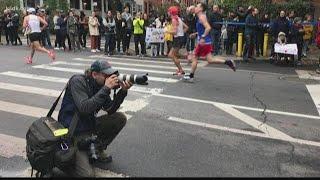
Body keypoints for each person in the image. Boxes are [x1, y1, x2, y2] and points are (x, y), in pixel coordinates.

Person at [58, 60, 132, 177]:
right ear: (94, 74)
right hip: (73, 132)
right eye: (105, 75)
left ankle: (96, 148)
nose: (109, 78)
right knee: (87, 175)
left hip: (89, 126)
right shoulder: (78, 81)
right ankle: (61, 162)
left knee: (119, 118)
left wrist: (123, 91)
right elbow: (84, 108)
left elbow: (110, 109)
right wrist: (106, 88)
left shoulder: (100, 85)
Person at [183, 3, 236, 82]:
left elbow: (208, 28)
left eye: (197, 6)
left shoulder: (202, 17)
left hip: (203, 42)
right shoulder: (200, 17)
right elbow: (203, 28)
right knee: (210, 59)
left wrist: (203, 37)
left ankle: (191, 76)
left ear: (201, 9)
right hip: (205, 42)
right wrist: (196, 34)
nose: (196, 7)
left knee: (194, 58)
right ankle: (228, 62)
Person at [167, 6, 189, 76]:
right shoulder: (178, 18)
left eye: (169, 11)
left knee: (171, 55)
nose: (168, 13)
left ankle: (181, 70)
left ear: (171, 12)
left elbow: (175, 32)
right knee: (175, 54)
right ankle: (186, 58)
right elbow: (186, 27)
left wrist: (167, 31)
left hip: (177, 39)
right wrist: (182, 33)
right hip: (180, 38)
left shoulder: (174, 20)